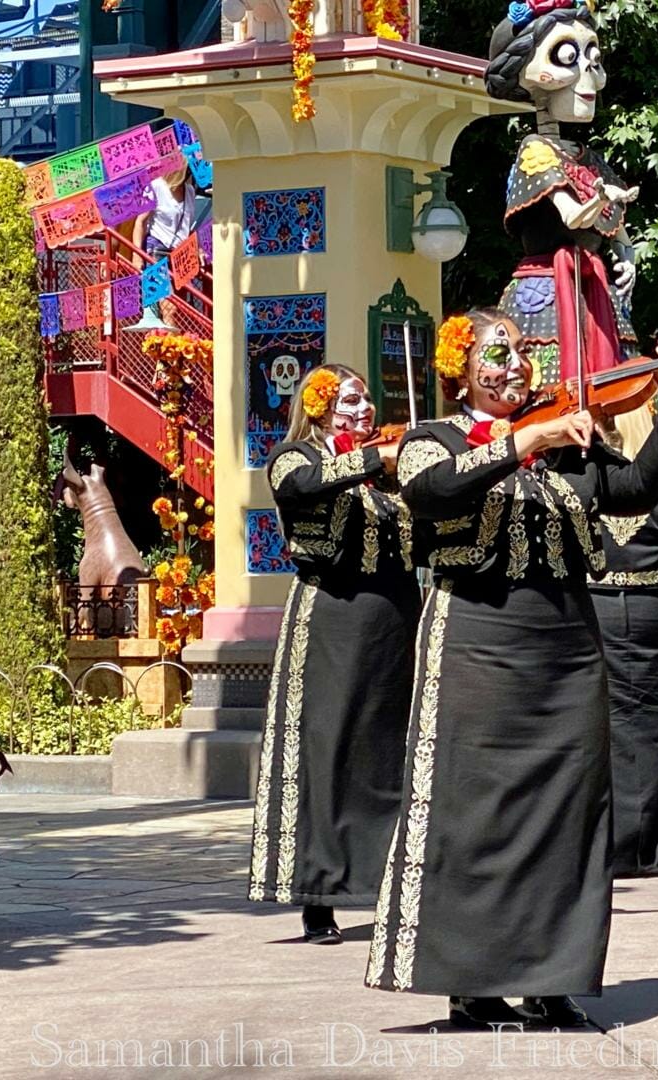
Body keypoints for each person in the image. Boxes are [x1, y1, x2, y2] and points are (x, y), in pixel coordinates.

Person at [365, 308, 658, 1030]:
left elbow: (639, 488)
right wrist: (524, 440)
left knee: (570, 814)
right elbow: (431, 494)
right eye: (499, 354)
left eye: (523, 354)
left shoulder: (569, 446)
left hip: (570, 651)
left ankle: (555, 978)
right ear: (462, 368)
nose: (516, 366)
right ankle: (474, 984)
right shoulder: (435, 440)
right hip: (478, 646)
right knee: (478, 813)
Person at [248, 365, 417, 943]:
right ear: (319, 407)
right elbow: (303, 488)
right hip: (332, 618)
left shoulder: (387, 473)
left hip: (397, 621)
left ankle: (389, 881)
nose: (365, 409)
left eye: (367, 399)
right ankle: (319, 894)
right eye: (351, 399)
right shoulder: (296, 458)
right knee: (329, 749)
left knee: (391, 750)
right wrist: (377, 460)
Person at [486, 1, 640, 386]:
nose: (587, 72)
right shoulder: (536, 151)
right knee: (544, 380)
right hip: (546, 294)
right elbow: (572, 217)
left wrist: (628, 259)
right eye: (567, 57)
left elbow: (620, 236)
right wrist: (602, 198)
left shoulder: (593, 161)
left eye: (594, 58)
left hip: (597, 290)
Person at [590, 404, 658, 878]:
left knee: (604, 725)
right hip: (653, 611)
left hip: (596, 611)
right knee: (655, 721)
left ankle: (612, 846)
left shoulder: (588, 486)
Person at [133, 166, 197, 262]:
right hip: (158, 249)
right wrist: (137, 255)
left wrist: (197, 247)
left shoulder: (190, 191)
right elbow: (140, 222)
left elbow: (187, 226)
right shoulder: (156, 186)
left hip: (180, 255)